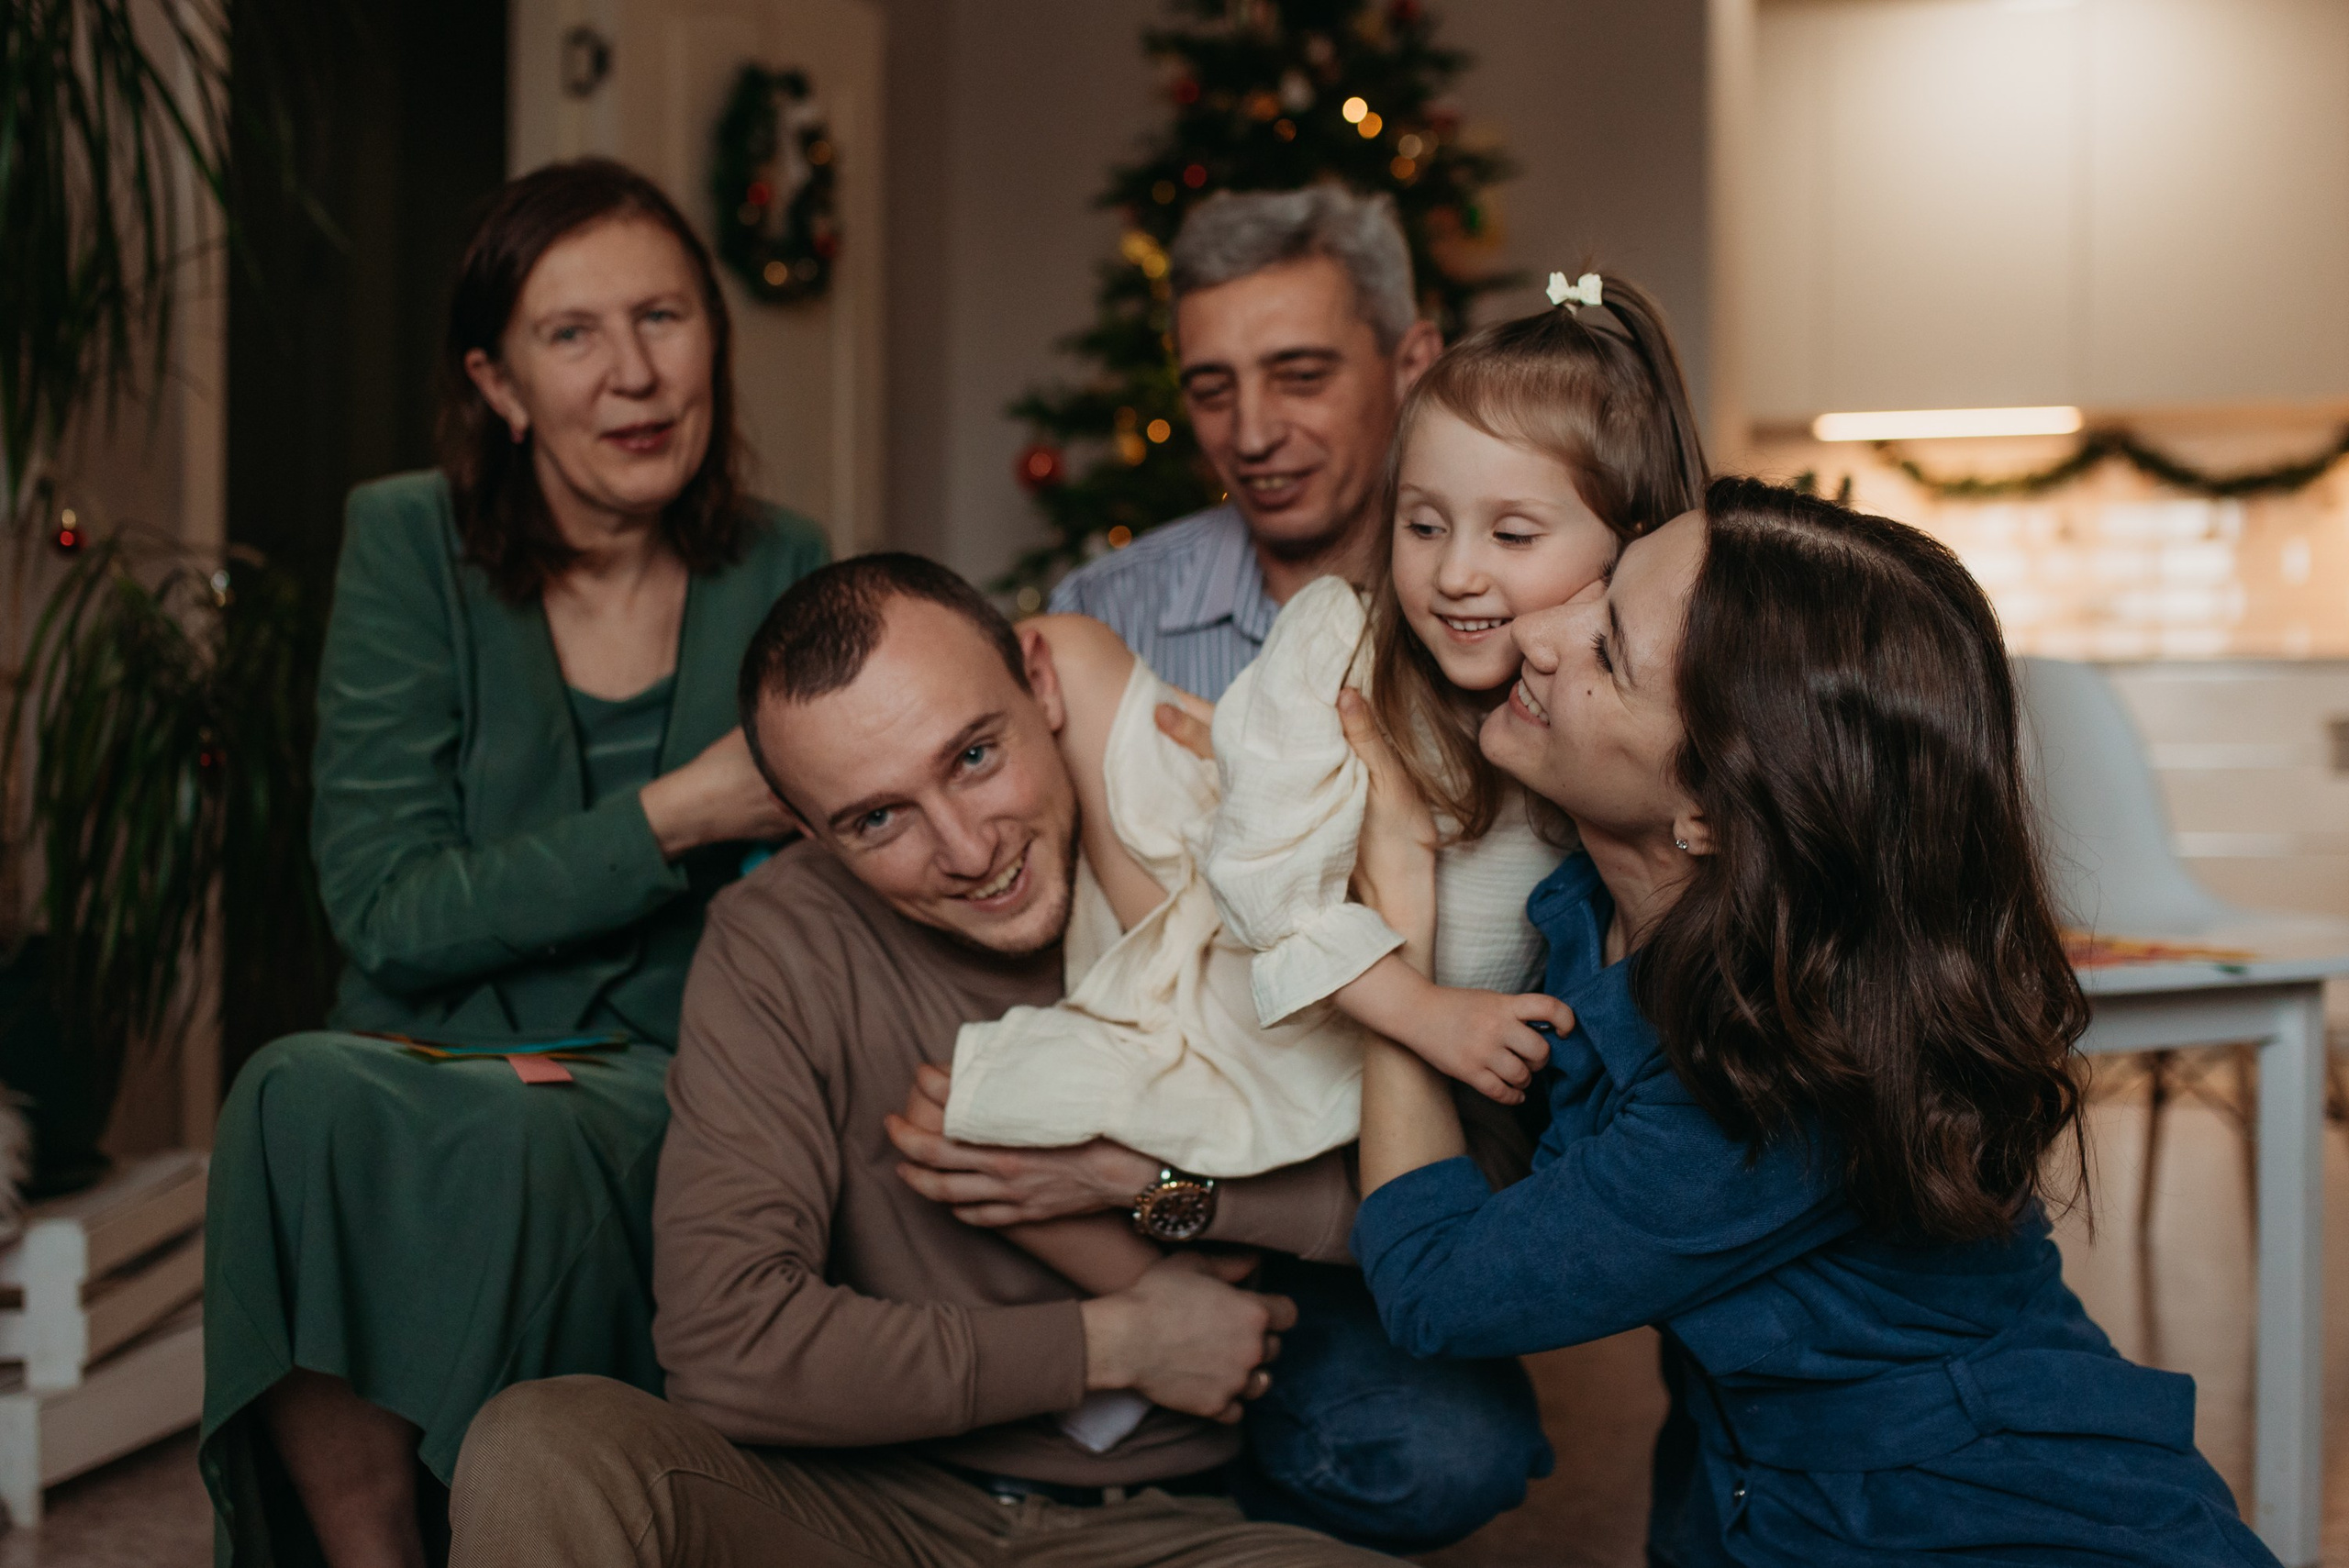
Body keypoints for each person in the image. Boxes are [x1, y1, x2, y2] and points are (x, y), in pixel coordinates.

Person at [444, 554, 1546, 1565]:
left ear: (1041, 682)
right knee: (543, 1441)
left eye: (975, 756)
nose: (969, 851)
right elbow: (728, 1348)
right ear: (809, 828)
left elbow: (1480, 1197)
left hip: (1166, 1523)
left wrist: (1155, 1187)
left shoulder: (1209, 837)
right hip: (862, 1512)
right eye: (878, 818)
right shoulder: (775, 943)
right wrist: (1114, 1341)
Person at [1342, 477, 2279, 1567]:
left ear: (1709, 808)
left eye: (1606, 650)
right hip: (1769, 1495)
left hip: (1989, 1525)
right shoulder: (1588, 907)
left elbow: (1436, 1289)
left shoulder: (1763, 1086)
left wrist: (1385, 947)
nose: (1534, 631)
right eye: (1596, 588)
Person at [199, 158, 830, 1568]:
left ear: (713, 337)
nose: (634, 374)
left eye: (663, 317)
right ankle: (374, 1553)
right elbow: (384, 905)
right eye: (572, 333)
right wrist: (676, 813)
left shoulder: (784, 563)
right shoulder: (406, 542)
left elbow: (810, 899)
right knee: (291, 1095)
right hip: (425, 1043)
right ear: (499, 384)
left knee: (534, 1141)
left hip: (667, 1065)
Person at [941, 282, 1709, 1309]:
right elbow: (1261, 886)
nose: (1455, 573)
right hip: (1247, 977)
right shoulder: (1336, 639)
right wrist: (1420, 1012)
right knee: (1077, 664)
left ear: (1631, 549)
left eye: (1513, 535)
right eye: (1423, 524)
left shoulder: (1614, 733)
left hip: (1410, 1080)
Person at [1049, 187, 1441, 701]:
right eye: (1212, 390)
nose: (1251, 438)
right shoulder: (1099, 616)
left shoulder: (1498, 607)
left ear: (1411, 367)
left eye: (1301, 377)